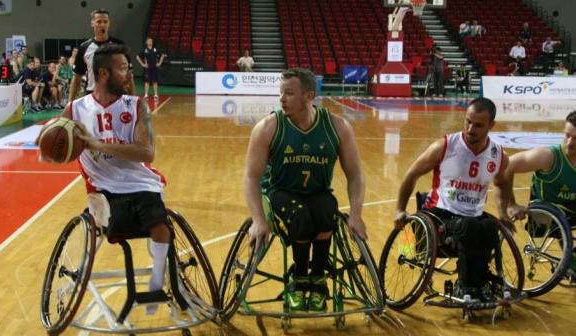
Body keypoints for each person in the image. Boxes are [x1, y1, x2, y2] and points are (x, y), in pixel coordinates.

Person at [244, 67, 366, 312]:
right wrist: (258, 219)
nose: (282, 99)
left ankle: (318, 279)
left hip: (317, 192)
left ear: (309, 96)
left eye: (289, 93)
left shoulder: (337, 127)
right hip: (280, 192)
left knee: (325, 213)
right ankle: (299, 278)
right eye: (281, 93)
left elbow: (355, 174)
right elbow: (250, 177)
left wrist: (355, 214)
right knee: (300, 216)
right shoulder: (268, 127)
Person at [62, 43, 170, 314]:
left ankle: (156, 282)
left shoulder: (137, 106)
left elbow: (147, 152)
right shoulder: (75, 110)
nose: (129, 75)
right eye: (123, 69)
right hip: (102, 188)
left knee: (160, 226)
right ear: (103, 74)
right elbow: (57, 147)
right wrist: (58, 146)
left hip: (140, 182)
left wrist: (97, 145)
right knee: (121, 225)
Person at [394, 98, 509, 299]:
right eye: (468, 122)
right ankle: (466, 286)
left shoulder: (498, 154)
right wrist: (399, 209)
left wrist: (503, 213)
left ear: (492, 125)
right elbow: (411, 174)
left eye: (478, 125)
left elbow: (500, 184)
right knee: (469, 226)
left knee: (491, 226)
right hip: (439, 215)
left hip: (473, 216)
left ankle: (480, 282)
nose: (471, 128)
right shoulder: (445, 146)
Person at [497, 111, 576, 271]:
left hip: (571, 209)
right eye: (567, 135)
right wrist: (511, 204)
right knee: (563, 216)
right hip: (545, 213)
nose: (569, 142)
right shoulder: (548, 157)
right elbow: (507, 165)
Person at [69, 9, 134, 102]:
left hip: (115, 94)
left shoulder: (118, 45)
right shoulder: (84, 47)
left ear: (109, 23)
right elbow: (77, 77)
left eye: (105, 22)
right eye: (99, 22)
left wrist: (133, 101)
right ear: (92, 23)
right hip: (92, 95)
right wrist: (70, 103)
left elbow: (129, 75)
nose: (102, 25)